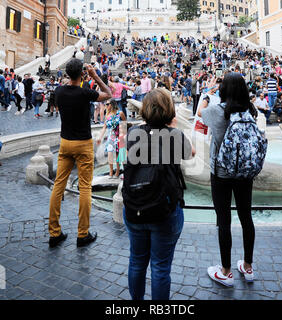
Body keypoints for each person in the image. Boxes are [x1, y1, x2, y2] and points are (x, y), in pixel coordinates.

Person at [123, 88, 194, 300]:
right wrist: (174, 128)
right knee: (160, 267)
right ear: (169, 110)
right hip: (164, 209)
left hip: (135, 206)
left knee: (136, 261)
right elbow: (191, 153)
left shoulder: (133, 134)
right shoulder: (174, 135)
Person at [198, 73, 257, 287]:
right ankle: (248, 267)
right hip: (244, 172)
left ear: (223, 89)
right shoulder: (251, 110)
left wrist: (208, 91)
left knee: (224, 221)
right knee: (246, 217)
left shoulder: (216, 110)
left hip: (221, 174)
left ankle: (226, 271)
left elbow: (199, 114)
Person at [48, 59, 112, 248]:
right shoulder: (85, 93)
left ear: (67, 74)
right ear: (82, 74)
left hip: (65, 143)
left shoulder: (59, 91)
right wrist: (94, 76)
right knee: (84, 188)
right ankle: (82, 234)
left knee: (58, 186)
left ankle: (54, 233)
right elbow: (108, 94)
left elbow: (65, 90)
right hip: (83, 143)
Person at [97, 99, 126, 179]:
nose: (106, 106)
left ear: (112, 104)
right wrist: (100, 137)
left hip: (119, 136)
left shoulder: (120, 113)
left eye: (107, 104)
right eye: (106, 104)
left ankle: (117, 171)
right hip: (111, 136)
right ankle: (110, 172)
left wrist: (124, 134)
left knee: (118, 155)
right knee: (110, 154)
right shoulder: (107, 115)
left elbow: (125, 123)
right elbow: (104, 128)